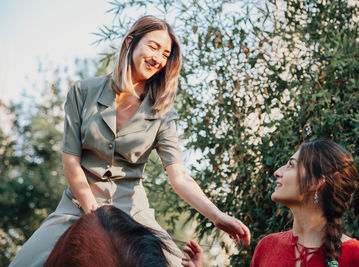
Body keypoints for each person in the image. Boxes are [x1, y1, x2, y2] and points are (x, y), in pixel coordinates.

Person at [10, 15, 250, 267]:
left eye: (166, 54)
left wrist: (217, 216)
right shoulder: (83, 91)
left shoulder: (163, 112)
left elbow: (179, 176)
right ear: (129, 43)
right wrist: (93, 212)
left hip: (134, 214)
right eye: (153, 47)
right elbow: (71, 161)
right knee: (23, 263)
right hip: (77, 207)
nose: (159, 58)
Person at [250, 140, 359, 267]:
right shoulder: (266, 247)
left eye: (291, 165)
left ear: (315, 183)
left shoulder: (357, 256)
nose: (277, 172)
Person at [44, 205, 175, 267]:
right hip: (80, 202)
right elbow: (71, 164)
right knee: (27, 260)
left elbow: (180, 176)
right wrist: (93, 214)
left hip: (134, 208)